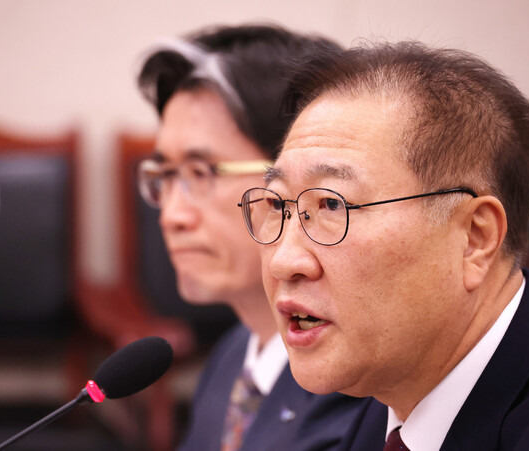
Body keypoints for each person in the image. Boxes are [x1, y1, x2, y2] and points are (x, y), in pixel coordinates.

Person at [239, 41, 529, 450]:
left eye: (332, 204)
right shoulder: (392, 392)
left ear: (475, 238)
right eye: (278, 204)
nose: (284, 261)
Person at [136, 24, 366, 450]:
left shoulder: (358, 391)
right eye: (165, 175)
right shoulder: (232, 355)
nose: (171, 216)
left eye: (201, 173)